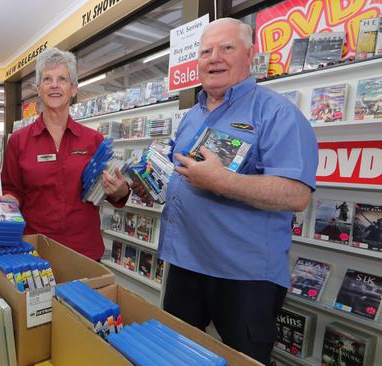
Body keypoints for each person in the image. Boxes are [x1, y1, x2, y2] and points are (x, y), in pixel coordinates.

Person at [135, 18, 318, 364]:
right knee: (174, 356)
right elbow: (172, 176)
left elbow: (297, 194)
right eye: (206, 51)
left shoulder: (277, 113)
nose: (214, 57)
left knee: (243, 359)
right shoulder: (191, 115)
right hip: (184, 265)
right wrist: (134, 184)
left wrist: (224, 182)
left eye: (226, 48)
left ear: (250, 55)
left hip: (244, 277)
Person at [0, 48, 129, 260]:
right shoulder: (19, 141)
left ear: (74, 88)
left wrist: (120, 190)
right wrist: (8, 201)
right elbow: (12, 188)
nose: (55, 85)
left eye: (62, 79)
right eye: (47, 79)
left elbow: (111, 192)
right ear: (38, 89)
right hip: (36, 251)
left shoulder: (93, 140)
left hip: (84, 251)